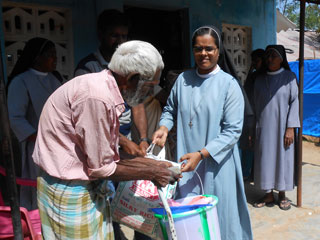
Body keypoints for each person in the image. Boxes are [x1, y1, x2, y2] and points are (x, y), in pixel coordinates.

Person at [33, 40, 180, 240]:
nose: (149, 94)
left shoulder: (105, 89)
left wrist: (152, 165)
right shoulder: (97, 97)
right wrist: (151, 170)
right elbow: (102, 167)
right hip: (69, 188)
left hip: (84, 183)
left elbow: (104, 153)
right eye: (149, 87)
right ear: (132, 78)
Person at [153, 26, 253, 240]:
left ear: (219, 50)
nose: (203, 54)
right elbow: (170, 109)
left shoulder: (229, 85)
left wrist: (201, 154)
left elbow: (233, 131)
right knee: (189, 220)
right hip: (186, 163)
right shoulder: (182, 80)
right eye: (198, 49)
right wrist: (163, 126)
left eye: (209, 49)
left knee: (218, 218)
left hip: (216, 165)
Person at [74, 9, 149, 157]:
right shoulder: (87, 68)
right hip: (98, 142)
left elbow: (137, 105)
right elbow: (90, 117)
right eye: (114, 35)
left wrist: (143, 139)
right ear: (101, 35)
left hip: (124, 139)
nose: (120, 42)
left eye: (124, 36)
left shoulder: (130, 67)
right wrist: (124, 142)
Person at [7, 37, 63, 210]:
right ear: (36, 57)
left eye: (55, 55)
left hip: (59, 146)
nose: (55, 59)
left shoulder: (55, 79)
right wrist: (39, 138)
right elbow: (15, 118)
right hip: (35, 147)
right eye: (50, 55)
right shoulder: (21, 81)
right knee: (37, 191)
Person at [253, 45, 300, 210]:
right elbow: (253, 106)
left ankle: (281, 194)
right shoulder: (259, 79)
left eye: (273, 55)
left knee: (283, 158)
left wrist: (290, 128)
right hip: (264, 127)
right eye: (268, 56)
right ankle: (267, 194)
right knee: (265, 159)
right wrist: (252, 128)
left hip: (283, 128)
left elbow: (295, 103)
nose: (270, 59)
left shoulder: (289, 77)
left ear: (282, 58)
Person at [239, 48, 265, 180]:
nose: (254, 64)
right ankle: (247, 173)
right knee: (248, 146)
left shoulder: (266, 77)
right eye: (253, 61)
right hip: (250, 115)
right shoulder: (253, 76)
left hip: (261, 117)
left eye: (257, 61)